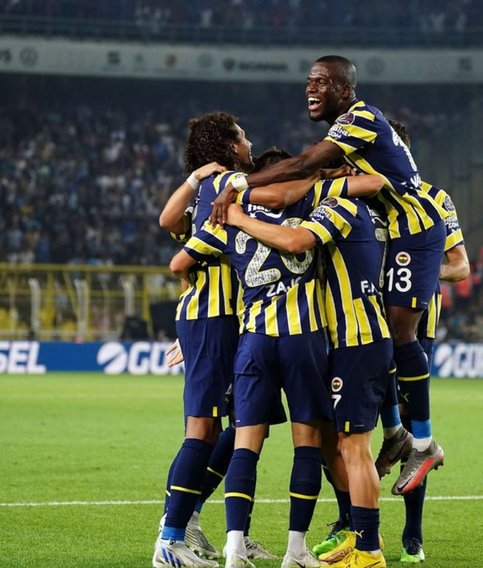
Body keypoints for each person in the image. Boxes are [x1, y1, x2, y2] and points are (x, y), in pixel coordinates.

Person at [211, 55, 447, 496]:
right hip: (394, 230)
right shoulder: (346, 131)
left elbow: (304, 164)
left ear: (345, 89)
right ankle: (396, 431)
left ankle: (423, 443)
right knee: (385, 335)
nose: (310, 89)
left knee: (398, 333)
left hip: (415, 228)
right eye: (308, 81)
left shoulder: (362, 118)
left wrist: (240, 184)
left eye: (321, 82)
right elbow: (306, 173)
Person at [171, 152, 383, 568]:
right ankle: (295, 550)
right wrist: (321, 173)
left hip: (253, 339)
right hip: (303, 340)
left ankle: (234, 547)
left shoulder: (227, 217)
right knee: (307, 444)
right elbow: (362, 189)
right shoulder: (309, 206)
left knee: (245, 445)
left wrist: (192, 321)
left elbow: (179, 262)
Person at [225, 175, 390, 568]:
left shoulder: (337, 206)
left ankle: (366, 547)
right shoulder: (332, 210)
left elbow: (181, 249)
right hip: (320, 338)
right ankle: (315, 546)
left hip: (325, 339)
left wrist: (234, 210)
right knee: (323, 444)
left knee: (345, 448)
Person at [153, 112, 252, 568]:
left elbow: (170, 221)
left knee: (245, 424)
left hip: (222, 322)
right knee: (204, 428)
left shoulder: (210, 192)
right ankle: (170, 537)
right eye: (243, 136)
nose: (249, 142)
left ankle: (193, 521)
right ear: (230, 146)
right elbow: (173, 239)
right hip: (214, 319)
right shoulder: (227, 187)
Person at [380, 120, 470, 563]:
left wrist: (417, 273)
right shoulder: (360, 197)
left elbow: (461, 266)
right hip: (361, 326)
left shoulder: (435, 199)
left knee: (415, 430)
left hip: (414, 330)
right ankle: (351, 524)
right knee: (350, 428)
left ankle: (412, 534)